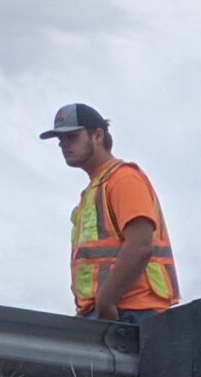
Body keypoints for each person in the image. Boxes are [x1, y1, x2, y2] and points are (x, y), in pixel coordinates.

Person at [44, 104, 177, 323]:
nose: (64, 145)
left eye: (72, 137)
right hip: (109, 312)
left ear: (97, 135)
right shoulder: (96, 189)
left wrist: (105, 301)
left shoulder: (123, 179)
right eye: (61, 140)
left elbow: (140, 246)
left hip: (131, 311)